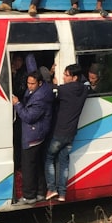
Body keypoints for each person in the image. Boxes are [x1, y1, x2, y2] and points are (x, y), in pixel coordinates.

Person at [45, 64, 88, 202]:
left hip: (60, 132)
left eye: (66, 75)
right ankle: (62, 193)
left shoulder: (64, 89)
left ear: (74, 77)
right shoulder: (84, 89)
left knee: (49, 157)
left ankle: (51, 189)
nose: (63, 76)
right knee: (64, 161)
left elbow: (49, 91)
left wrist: (53, 83)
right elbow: (87, 83)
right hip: (71, 134)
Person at [12, 71, 54, 204]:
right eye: (28, 83)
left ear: (39, 83)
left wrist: (17, 104)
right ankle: (41, 192)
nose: (29, 86)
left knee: (28, 166)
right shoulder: (41, 89)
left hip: (33, 136)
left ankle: (29, 196)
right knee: (37, 165)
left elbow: (28, 117)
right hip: (38, 135)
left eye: (32, 84)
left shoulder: (39, 98)